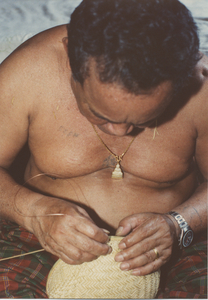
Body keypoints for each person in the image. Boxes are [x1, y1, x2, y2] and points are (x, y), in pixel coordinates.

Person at [0, 0, 207, 298]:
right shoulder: (31, 70)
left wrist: (178, 224)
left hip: (174, 248)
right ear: (72, 59)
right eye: (101, 114)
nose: (120, 132)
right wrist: (34, 212)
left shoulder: (200, 85)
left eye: (145, 119)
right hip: (35, 239)